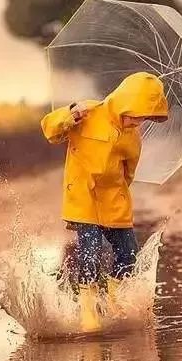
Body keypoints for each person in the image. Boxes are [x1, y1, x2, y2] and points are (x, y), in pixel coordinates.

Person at [40, 72, 168, 331]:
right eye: (137, 115)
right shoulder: (88, 113)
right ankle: (88, 307)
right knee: (90, 251)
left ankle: (114, 299)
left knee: (128, 252)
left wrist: (119, 192)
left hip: (114, 199)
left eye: (145, 117)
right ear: (125, 103)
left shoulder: (133, 136)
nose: (139, 122)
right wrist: (70, 114)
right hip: (84, 197)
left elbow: (129, 170)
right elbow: (50, 130)